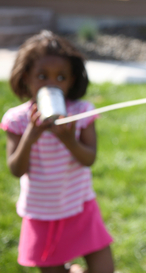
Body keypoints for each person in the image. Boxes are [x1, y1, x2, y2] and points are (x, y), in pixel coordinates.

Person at [1, 30, 114, 273]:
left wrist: (68, 139)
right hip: (41, 212)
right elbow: (15, 169)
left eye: (61, 78)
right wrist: (31, 135)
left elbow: (89, 159)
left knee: (104, 268)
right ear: (26, 78)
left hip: (80, 205)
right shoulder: (18, 120)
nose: (51, 84)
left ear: (72, 81)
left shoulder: (81, 113)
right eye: (42, 76)